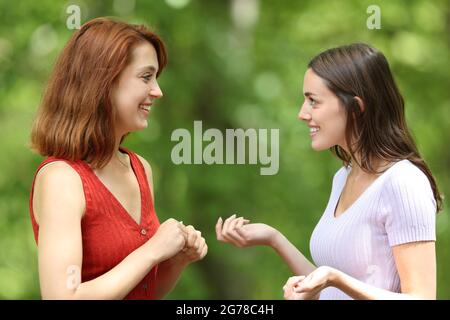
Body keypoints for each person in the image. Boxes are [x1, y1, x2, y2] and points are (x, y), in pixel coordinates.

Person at [216, 43, 442, 300]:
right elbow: (333, 289)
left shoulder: (403, 181)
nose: (302, 114)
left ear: (355, 107)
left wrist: (336, 278)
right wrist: (273, 238)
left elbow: (422, 297)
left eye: (313, 101)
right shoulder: (343, 177)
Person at [29, 17, 207, 300]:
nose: (158, 91)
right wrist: (152, 251)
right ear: (104, 82)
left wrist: (176, 260)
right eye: (146, 77)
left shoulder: (140, 169)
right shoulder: (62, 179)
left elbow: (140, 290)